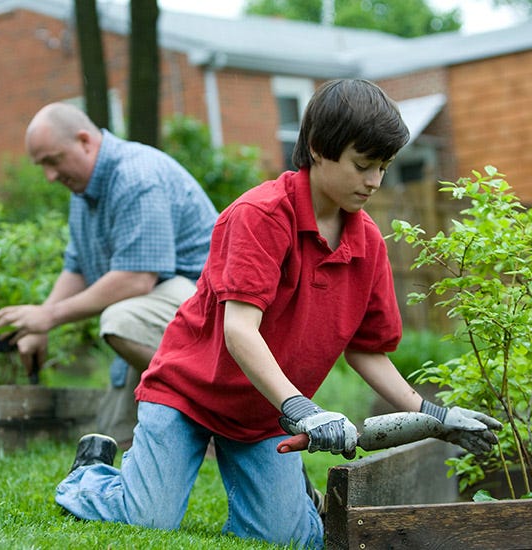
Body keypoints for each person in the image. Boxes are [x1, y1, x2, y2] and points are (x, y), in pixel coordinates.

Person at [54, 79, 503, 548]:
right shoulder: (260, 216)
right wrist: (303, 410)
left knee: (286, 538)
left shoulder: (367, 243)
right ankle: (92, 474)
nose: (374, 181)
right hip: (188, 395)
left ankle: (290, 501)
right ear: (316, 149)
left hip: (265, 415)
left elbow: (367, 352)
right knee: (147, 519)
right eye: (363, 165)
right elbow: (240, 331)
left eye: (383, 168)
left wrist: (436, 415)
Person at [0, 102, 218, 448]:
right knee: (111, 436)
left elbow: (136, 279)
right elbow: (78, 266)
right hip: (160, 314)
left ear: (85, 141)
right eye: (42, 166)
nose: (49, 176)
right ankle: (185, 420)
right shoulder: (84, 191)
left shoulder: (136, 176)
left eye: (52, 161)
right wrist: (37, 325)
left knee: (121, 320)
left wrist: (49, 316)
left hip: (210, 313)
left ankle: (216, 409)